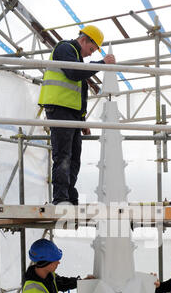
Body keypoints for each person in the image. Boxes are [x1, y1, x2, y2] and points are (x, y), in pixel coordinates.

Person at [38, 25, 116, 206]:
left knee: (74, 158)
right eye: (91, 49)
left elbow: (78, 91)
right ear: (84, 40)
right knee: (63, 156)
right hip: (59, 110)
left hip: (71, 114)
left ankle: (69, 197)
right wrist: (102, 64)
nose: (90, 54)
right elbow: (73, 73)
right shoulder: (64, 48)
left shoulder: (76, 57)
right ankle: (61, 198)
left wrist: (82, 119)